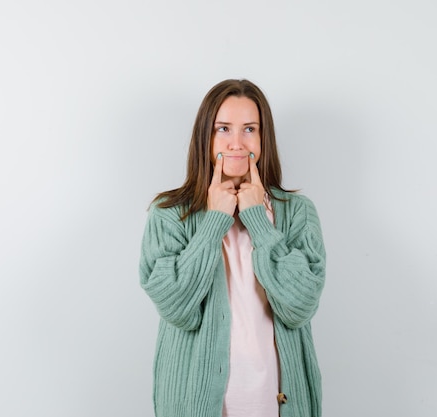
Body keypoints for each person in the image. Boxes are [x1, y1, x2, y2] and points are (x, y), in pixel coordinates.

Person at [139, 79, 326, 417]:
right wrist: (213, 222)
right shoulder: (169, 214)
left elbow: (300, 307)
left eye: (249, 129)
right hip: (195, 405)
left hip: (280, 404)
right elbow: (176, 307)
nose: (237, 143)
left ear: (263, 137)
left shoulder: (297, 212)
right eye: (223, 128)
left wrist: (258, 221)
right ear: (205, 138)